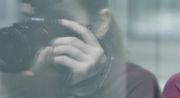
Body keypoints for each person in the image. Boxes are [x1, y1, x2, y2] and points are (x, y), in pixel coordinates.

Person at [0, 0, 160, 98]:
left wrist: (87, 88)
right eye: (28, 18)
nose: (38, 30)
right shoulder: (11, 72)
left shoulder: (133, 82)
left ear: (100, 23)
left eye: (56, 18)